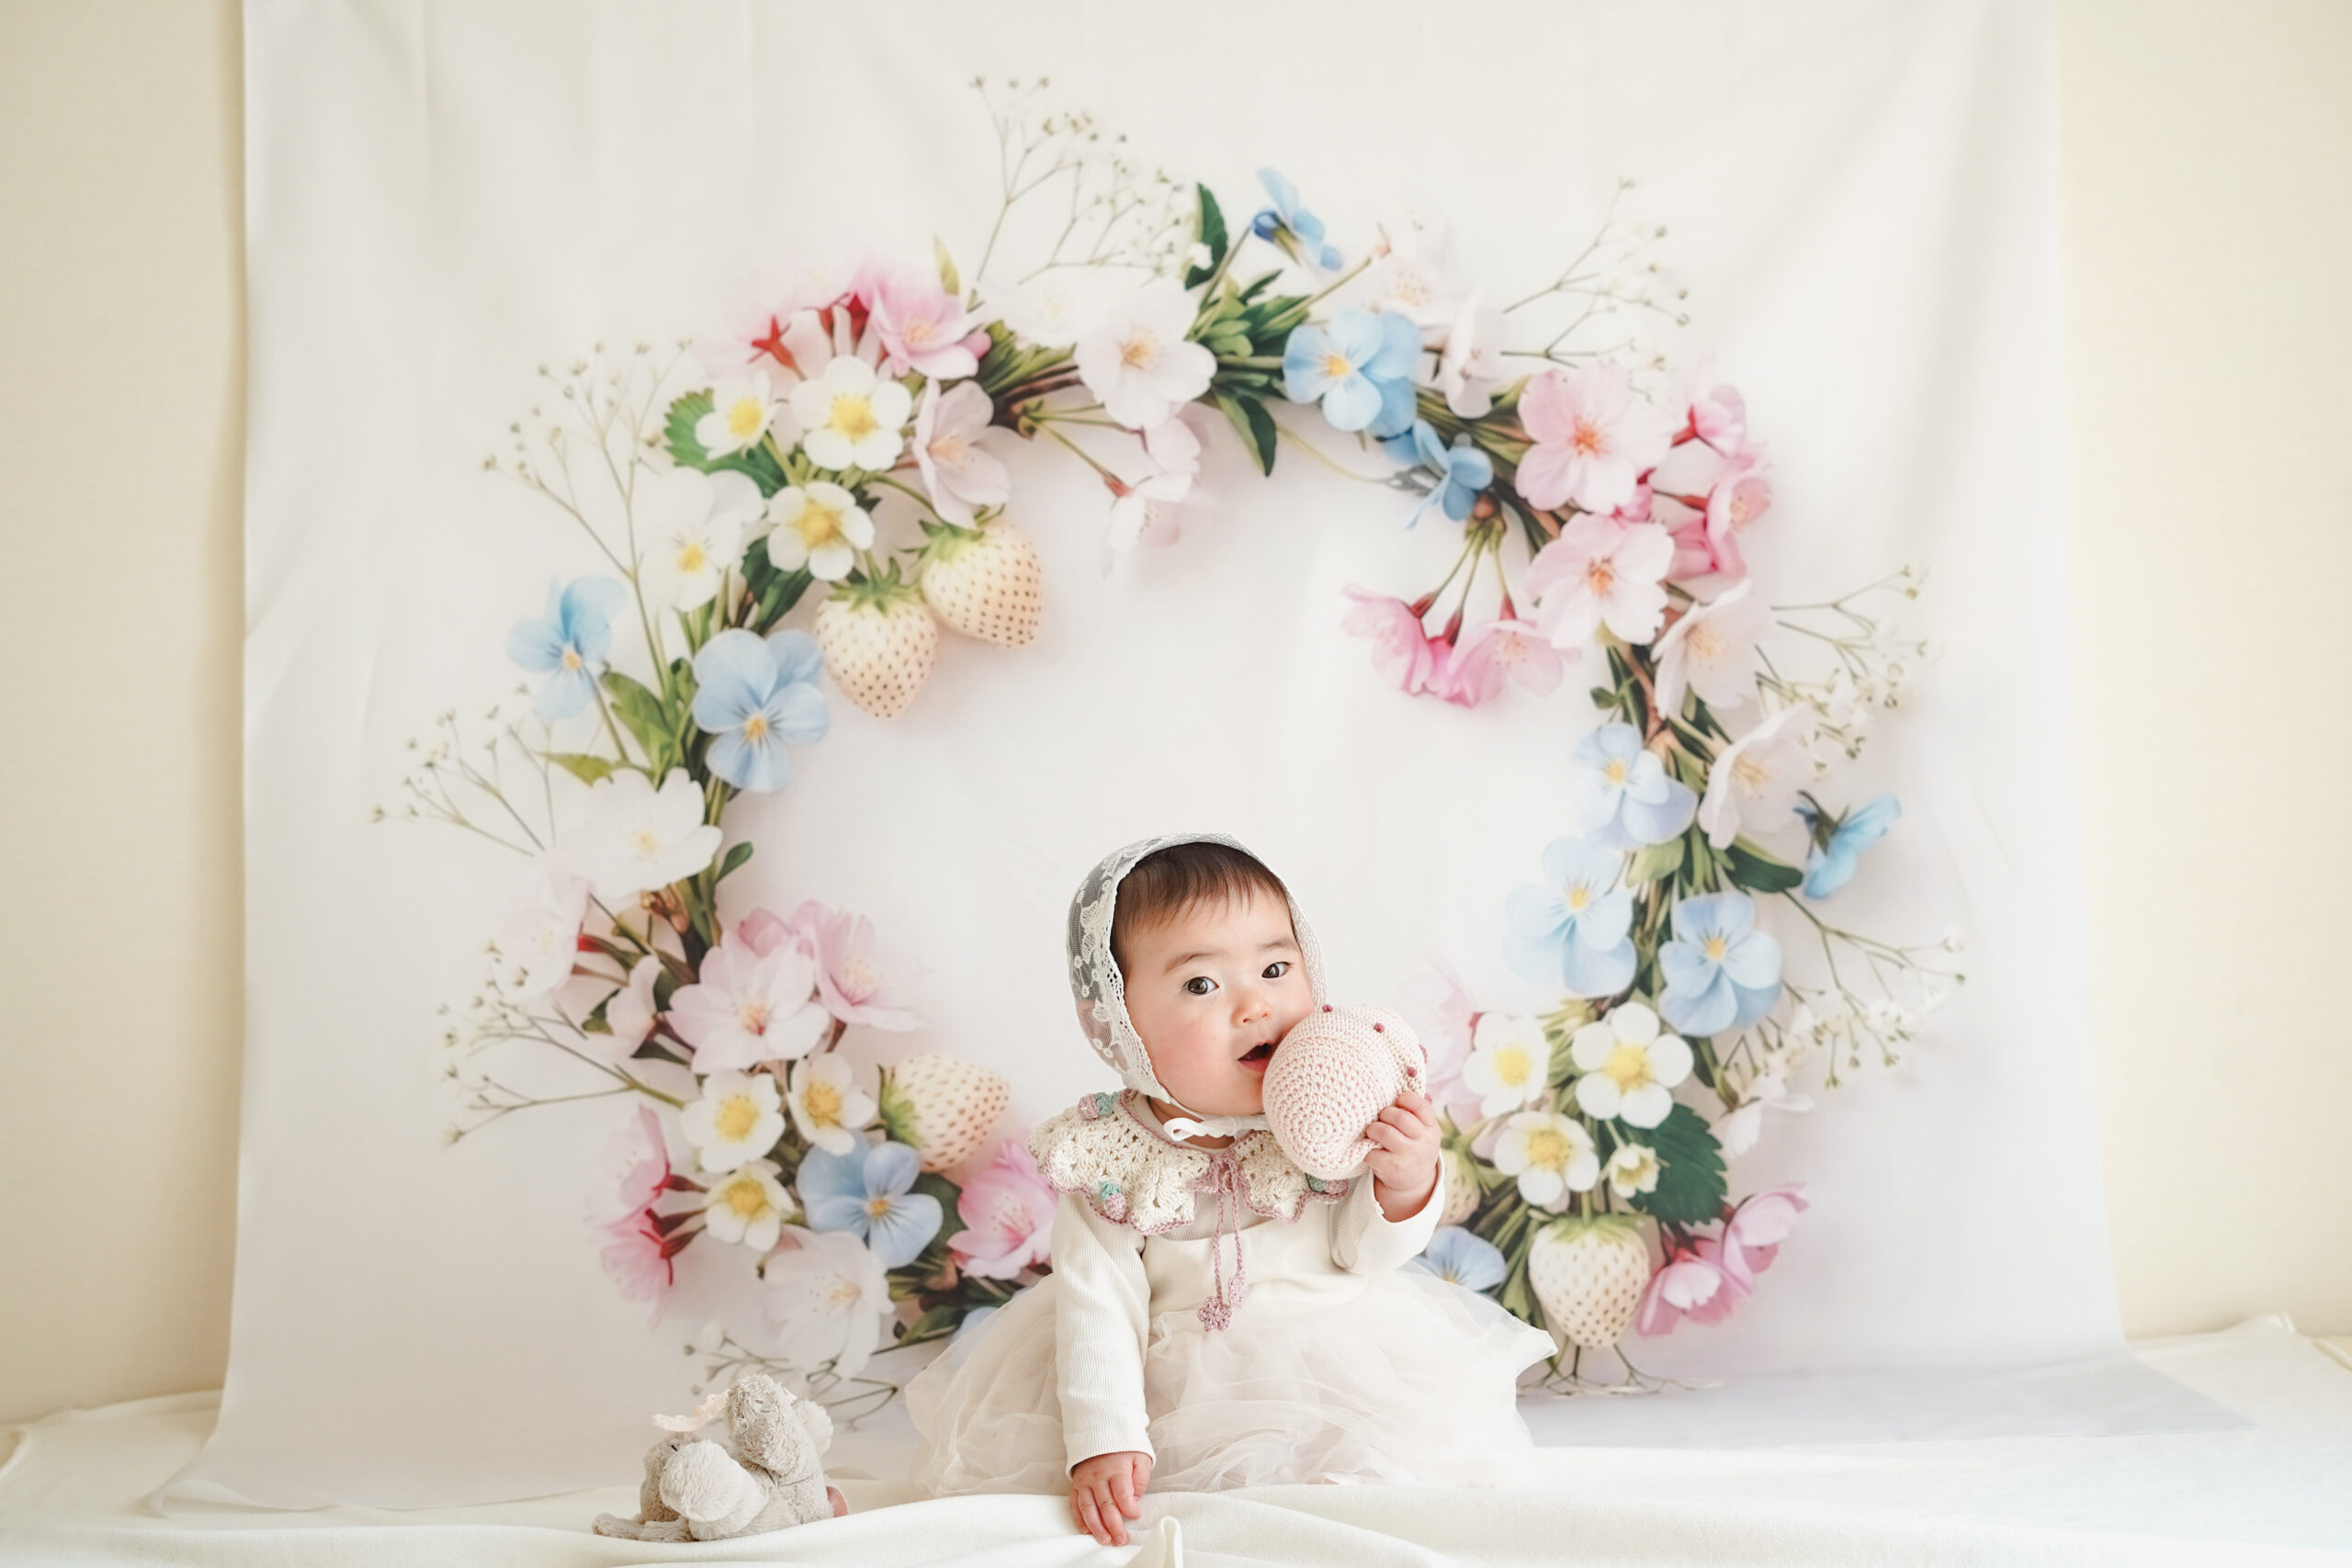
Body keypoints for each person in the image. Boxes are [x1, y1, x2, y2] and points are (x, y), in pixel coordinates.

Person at [905, 832, 1554, 1546]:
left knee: (1379, 1494)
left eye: (1277, 967)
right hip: (1173, 1392)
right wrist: (1106, 1436)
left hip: (1337, 1368)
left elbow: (1363, 1254)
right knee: (1190, 1522)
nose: (1255, 1005)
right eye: (1201, 984)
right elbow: (1098, 1307)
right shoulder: (1110, 1157)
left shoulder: (1322, 1115)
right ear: (1116, 1025)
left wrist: (1404, 1181)